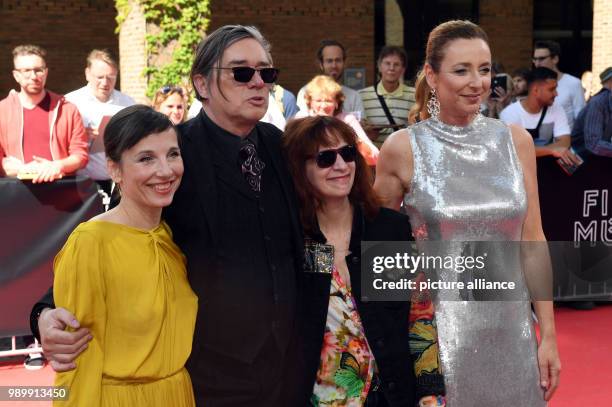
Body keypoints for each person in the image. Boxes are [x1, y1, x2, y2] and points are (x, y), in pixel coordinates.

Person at [31, 25, 327, 406]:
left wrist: (319, 307)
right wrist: (44, 312)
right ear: (201, 84)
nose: (258, 83)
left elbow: (311, 237)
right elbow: (117, 235)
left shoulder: (281, 144)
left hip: (287, 370)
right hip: (205, 378)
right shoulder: (172, 156)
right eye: (241, 72)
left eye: (266, 73)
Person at [374, 20, 561, 406]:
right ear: (431, 74)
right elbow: (378, 248)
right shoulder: (403, 148)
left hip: (513, 335)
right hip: (440, 340)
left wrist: (550, 336)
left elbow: (533, 241)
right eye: (461, 70)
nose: (476, 82)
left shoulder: (516, 142)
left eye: (485, 69)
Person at [282, 115, 445, 407]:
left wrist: (429, 392)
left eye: (347, 153)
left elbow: (419, 317)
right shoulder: (296, 242)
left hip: (394, 395)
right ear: (299, 168)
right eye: (325, 158)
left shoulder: (387, 230)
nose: (341, 166)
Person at [52, 105, 196, 406]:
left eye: (173, 154)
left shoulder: (168, 235)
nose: (166, 170)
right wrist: (39, 314)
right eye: (146, 158)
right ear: (114, 169)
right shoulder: (91, 243)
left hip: (177, 394)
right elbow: (77, 361)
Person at [0, 44, 88, 183]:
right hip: (16, 192)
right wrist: (17, 168)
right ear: (16, 75)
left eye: (38, 70)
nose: (33, 76)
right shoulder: (2, 110)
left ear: (46, 72)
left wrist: (58, 165)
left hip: (60, 192)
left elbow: (80, 155)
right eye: (26, 71)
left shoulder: (67, 109)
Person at [65, 49, 135, 199]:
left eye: (111, 77)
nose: (105, 83)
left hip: (120, 182)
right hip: (82, 183)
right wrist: (78, 134)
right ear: (87, 74)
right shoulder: (71, 102)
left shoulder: (128, 104)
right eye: (100, 77)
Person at [500, 67, 580, 167]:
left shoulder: (557, 108)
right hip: (520, 169)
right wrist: (553, 150)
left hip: (548, 166)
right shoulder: (509, 114)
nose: (556, 94)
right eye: (551, 89)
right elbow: (516, 150)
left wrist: (540, 151)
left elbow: (565, 142)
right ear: (536, 91)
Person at [296, 75, 379, 166]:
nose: (323, 106)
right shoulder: (302, 119)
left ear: (336, 102)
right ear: (310, 102)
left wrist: (355, 139)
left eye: (328, 101)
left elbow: (374, 156)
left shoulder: (347, 120)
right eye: (318, 101)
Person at [359, 46, 415, 148]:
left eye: (396, 64)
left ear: (403, 69)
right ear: (379, 66)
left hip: (402, 156)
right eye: (387, 63)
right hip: (375, 158)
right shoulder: (362, 96)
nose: (391, 68)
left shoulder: (414, 95)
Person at [297, 40, 366, 119]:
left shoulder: (354, 96)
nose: (334, 65)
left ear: (344, 63)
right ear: (321, 64)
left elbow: (362, 125)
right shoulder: (306, 92)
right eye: (329, 61)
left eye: (338, 60)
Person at [533, 40, 585, 130]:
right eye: (535, 59)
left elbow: (581, 118)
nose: (537, 64)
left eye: (541, 59)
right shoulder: (532, 84)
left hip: (565, 141)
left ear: (555, 59)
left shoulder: (573, 83)